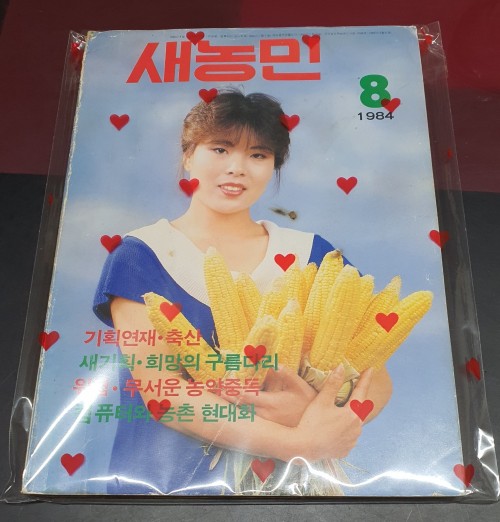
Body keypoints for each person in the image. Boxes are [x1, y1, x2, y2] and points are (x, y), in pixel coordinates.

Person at [93, 89, 392, 495]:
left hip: (293, 493)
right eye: (220, 149)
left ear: (273, 166)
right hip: (167, 490)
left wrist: (320, 415)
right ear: (188, 155)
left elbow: (377, 380)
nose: (237, 168)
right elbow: (164, 393)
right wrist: (301, 441)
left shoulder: (312, 254)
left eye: (258, 155)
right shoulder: (142, 255)